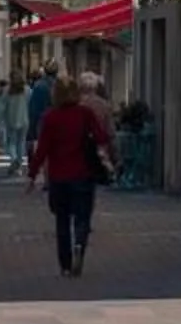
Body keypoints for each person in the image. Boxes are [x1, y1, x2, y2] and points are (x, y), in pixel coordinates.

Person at [27, 73, 118, 276]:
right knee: (83, 216)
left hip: (59, 177)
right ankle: (79, 243)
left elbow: (42, 149)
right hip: (83, 173)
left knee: (61, 220)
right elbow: (102, 136)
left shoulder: (50, 117)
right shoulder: (85, 114)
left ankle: (65, 264)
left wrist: (32, 175)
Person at [25, 67, 55, 174]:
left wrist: (31, 129)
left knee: (45, 148)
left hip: (43, 121)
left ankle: (47, 176)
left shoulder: (39, 87)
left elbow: (34, 109)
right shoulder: (60, 85)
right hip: (58, 121)